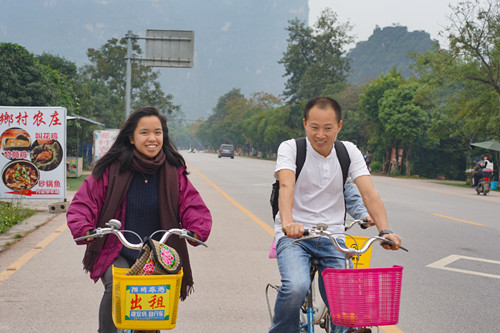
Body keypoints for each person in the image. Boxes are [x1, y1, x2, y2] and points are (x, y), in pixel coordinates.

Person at [67, 106, 212, 333]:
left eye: (158, 132)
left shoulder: (174, 172)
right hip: (116, 249)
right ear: (132, 138)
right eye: (144, 132)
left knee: (151, 307)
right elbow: (84, 202)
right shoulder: (111, 168)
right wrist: (84, 227)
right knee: (117, 285)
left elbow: (192, 205)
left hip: (156, 254)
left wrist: (196, 228)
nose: (152, 138)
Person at [269, 97, 402, 333]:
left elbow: (369, 193)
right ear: (304, 124)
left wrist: (385, 230)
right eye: (314, 127)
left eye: (328, 128)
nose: (321, 134)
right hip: (295, 238)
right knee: (296, 287)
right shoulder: (290, 148)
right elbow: (286, 186)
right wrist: (288, 223)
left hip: (334, 237)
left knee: (346, 302)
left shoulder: (348, 151)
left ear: (339, 126)